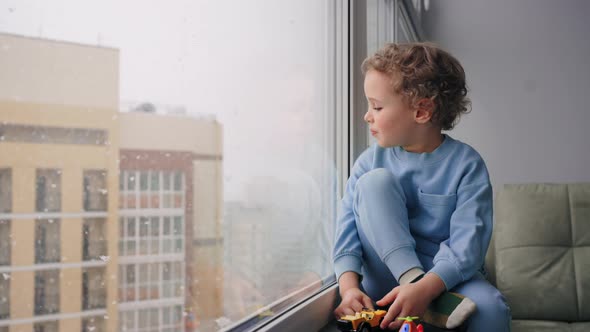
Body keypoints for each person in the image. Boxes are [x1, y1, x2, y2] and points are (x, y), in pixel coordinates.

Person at [332, 42, 511, 331]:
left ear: (422, 111)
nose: (368, 115)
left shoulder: (467, 164)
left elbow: (469, 245)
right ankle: (412, 282)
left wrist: (428, 287)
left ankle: (422, 295)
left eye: (376, 106)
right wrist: (349, 288)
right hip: (383, 276)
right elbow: (346, 234)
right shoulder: (368, 162)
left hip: (445, 279)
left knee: (492, 310)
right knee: (374, 182)